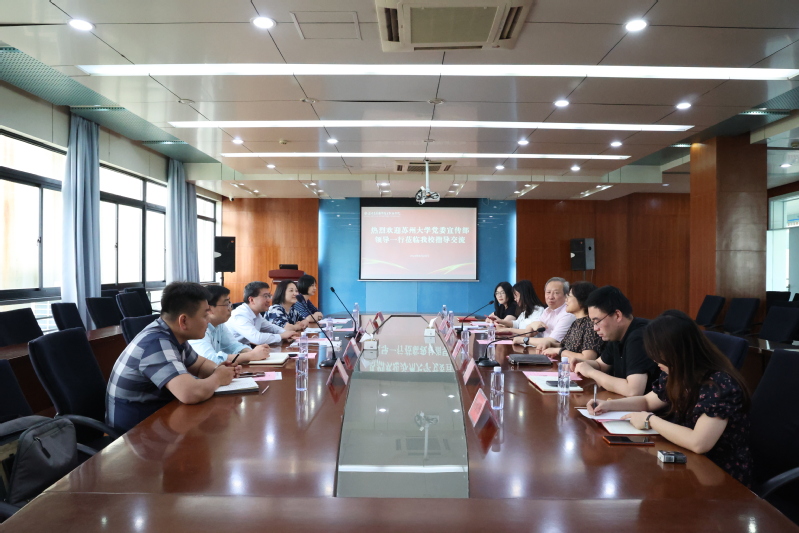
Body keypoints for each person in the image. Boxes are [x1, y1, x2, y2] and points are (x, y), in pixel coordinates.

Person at [587, 310, 752, 486]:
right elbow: (647, 401)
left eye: (659, 354)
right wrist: (609, 405)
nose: (654, 360)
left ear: (677, 352)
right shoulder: (676, 371)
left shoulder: (719, 385)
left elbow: (699, 443)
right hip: (684, 459)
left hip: (718, 475)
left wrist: (650, 420)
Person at [105, 282, 240, 434]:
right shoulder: (156, 343)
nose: (208, 320)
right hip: (133, 434)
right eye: (204, 315)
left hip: (159, 418)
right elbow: (190, 393)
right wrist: (218, 378)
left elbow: (200, 365)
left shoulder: (173, 335)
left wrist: (220, 369)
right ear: (183, 321)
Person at [569, 285, 659, 396]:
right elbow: (601, 364)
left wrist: (590, 372)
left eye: (597, 321)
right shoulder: (617, 333)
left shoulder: (639, 336)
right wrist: (582, 363)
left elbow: (633, 390)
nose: (595, 328)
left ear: (617, 315)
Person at [188, 285, 271, 365]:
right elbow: (209, 360)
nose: (230, 308)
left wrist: (252, 352)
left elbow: (233, 346)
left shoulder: (219, 325)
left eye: (229, 303)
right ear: (209, 308)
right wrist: (251, 355)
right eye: (226, 304)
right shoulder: (197, 328)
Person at [537, 281, 604, 360]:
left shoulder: (591, 324)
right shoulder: (576, 322)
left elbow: (588, 358)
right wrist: (549, 343)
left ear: (582, 300)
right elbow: (564, 346)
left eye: (569, 296)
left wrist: (558, 351)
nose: (566, 300)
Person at [228, 281, 300, 345]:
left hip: (246, 350)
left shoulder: (256, 314)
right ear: (251, 300)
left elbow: (271, 328)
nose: (269, 300)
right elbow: (257, 338)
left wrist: (287, 334)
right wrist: (281, 336)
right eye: (265, 296)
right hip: (234, 354)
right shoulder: (240, 315)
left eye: (269, 296)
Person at [515, 277, 576, 347]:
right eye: (548, 292)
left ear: (566, 295)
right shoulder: (547, 310)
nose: (551, 297)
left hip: (555, 352)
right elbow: (529, 333)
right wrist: (531, 325)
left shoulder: (568, 313)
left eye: (556, 293)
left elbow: (552, 341)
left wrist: (524, 340)